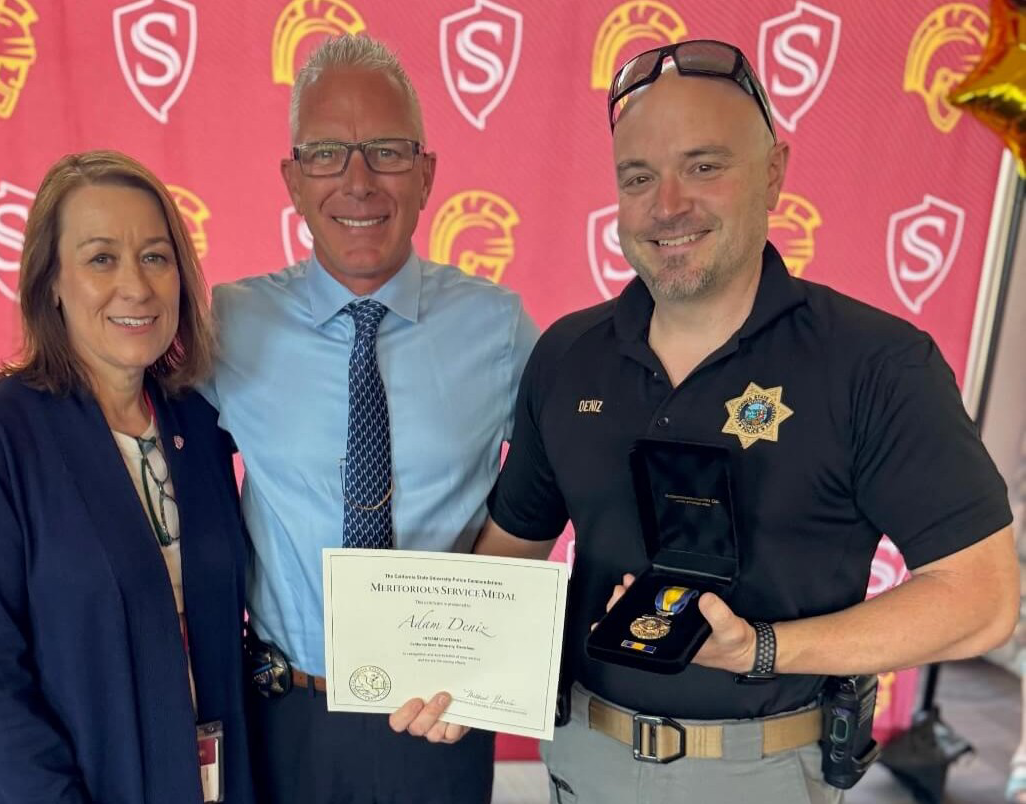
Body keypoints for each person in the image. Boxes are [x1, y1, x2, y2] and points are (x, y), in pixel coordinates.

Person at [474, 39, 1017, 804]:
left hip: (765, 775)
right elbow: (510, 555)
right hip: (581, 758)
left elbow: (981, 600)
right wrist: (432, 653)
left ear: (773, 173)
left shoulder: (876, 363)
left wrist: (761, 649)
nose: (667, 204)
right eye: (639, 177)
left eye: (704, 166)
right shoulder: (569, 354)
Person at [200, 35, 538, 803]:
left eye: (387, 151)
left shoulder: (499, 330)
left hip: (439, 718)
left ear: (426, 175)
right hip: (286, 715)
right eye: (326, 154)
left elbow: (578, 459)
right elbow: (123, 408)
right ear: (293, 180)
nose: (358, 182)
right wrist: (11, 409)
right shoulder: (231, 325)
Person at [0, 150, 255, 804]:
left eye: (155, 256)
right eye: (101, 258)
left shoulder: (200, 421)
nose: (136, 286)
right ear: (51, 281)